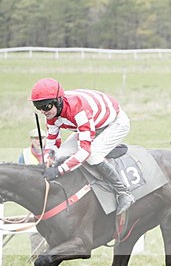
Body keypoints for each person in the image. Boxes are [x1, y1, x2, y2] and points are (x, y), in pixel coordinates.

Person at [29, 78, 135, 214]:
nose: (43, 111)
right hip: (91, 124)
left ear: (58, 101)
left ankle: (124, 192)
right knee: (60, 155)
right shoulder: (51, 113)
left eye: (46, 107)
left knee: (93, 156)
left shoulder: (78, 110)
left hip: (114, 123)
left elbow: (85, 152)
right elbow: (52, 141)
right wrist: (49, 157)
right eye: (39, 108)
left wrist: (58, 171)